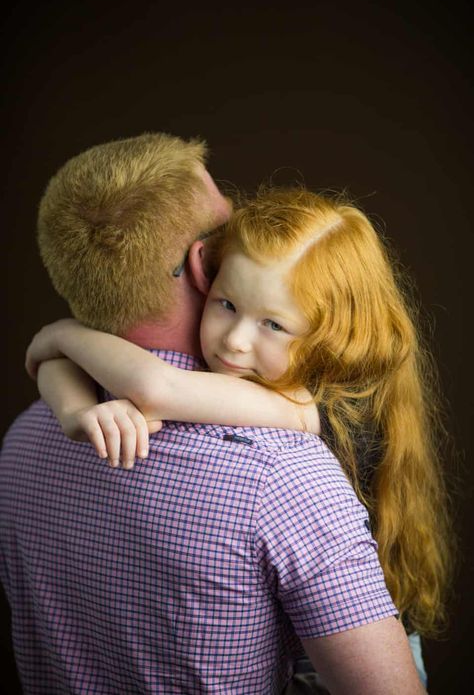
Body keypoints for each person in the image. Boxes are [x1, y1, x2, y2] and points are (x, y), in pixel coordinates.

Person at [0, 133, 428, 694]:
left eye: (274, 324)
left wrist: (59, 340)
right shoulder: (280, 477)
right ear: (207, 266)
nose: (239, 342)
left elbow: (153, 386)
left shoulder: (22, 440)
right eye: (228, 226)